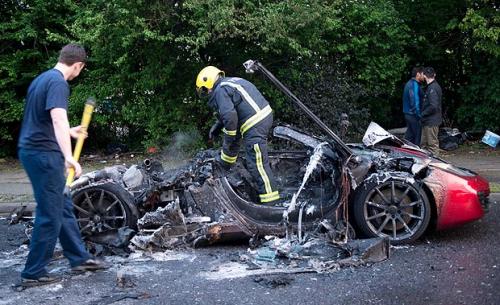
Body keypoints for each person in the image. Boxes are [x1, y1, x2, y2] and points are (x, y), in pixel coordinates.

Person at [17, 44, 106, 288]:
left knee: (63, 206)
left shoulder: (41, 79)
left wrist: (70, 131)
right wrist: (69, 156)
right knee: (50, 215)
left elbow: (41, 121)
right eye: (80, 69)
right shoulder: (58, 83)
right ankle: (33, 273)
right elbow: (57, 117)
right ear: (78, 65)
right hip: (44, 155)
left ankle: (79, 259)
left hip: (33, 151)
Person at [196, 66, 280, 204]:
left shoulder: (219, 91)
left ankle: (271, 204)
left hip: (254, 123)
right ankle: (227, 163)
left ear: (209, 82)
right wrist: (218, 126)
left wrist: (227, 137)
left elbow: (230, 118)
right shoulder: (229, 83)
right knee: (245, 150)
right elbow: (232, 112)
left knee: (257, 164)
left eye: (204, 89)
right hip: (259, 118)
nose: (206, 93)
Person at [420, 67, 443, 155]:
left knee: (432, 145)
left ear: (424, 75)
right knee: (424, 145)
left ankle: (436, 165)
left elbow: (433, 106)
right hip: (428, 121)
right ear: (435, 75)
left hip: (431, 122)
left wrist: (422, 114)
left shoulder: (433, 88)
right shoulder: (432, 86)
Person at [402, 67, 425, 146]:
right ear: (418, 74)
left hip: (408, 114)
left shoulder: (409, 83)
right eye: (423, 74)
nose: (424, 76)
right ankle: (416, 156)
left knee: (409, 138)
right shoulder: (414, 85)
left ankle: (405, 154)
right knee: (416, 139)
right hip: (413, 115)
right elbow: (414, 102)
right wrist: (419, 116)